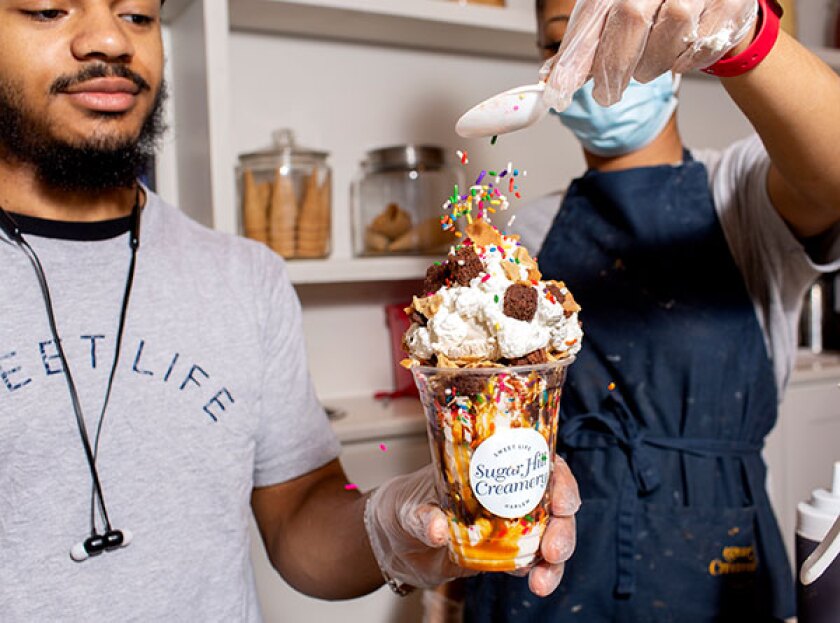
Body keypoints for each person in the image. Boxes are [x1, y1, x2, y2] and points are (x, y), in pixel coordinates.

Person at [0, 1, 581, 620]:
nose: (112, 39)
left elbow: (300, 522)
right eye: (49, 9)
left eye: (138, 15)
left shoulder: (245, 278)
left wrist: (403, 525)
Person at [457, 0, 840, 621]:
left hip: (716, 565)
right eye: (564, 40)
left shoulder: (742, 193)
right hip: (550, 566)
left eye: (616, 26)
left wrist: (744, 34)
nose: (594, 54)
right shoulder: (527, 232)